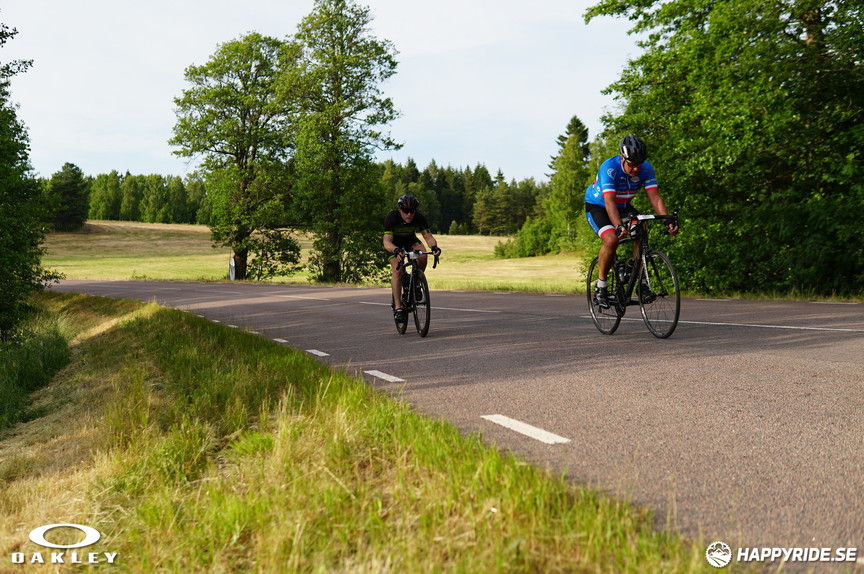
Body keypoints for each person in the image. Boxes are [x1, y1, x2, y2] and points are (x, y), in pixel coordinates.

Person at [584, 134, 678, 308]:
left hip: (624, 206)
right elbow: (609, 202)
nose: (636, 169)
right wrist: (619, 226)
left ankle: (640, 282)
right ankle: (601, 286)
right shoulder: (609, 168)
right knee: (611, 239)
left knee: (641, 229)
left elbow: (655, 198)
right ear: (622, 158)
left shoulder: (647, 169)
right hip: (599, 206)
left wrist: (667, 221)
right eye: (632, 165)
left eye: (639, 165)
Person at [383, 194, 441, 322]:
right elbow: (386, 242)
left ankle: (416, 283)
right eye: (406, 211)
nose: (409, 214)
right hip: (394, 245)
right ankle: (398, 308)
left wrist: (434, 247)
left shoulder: (419, 218)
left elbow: (428, 237)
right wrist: (396, 250)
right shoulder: (392, 217)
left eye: (412, 211)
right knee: (398, 271)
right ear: (400, 210)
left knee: (423, 256)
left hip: (410, 241)